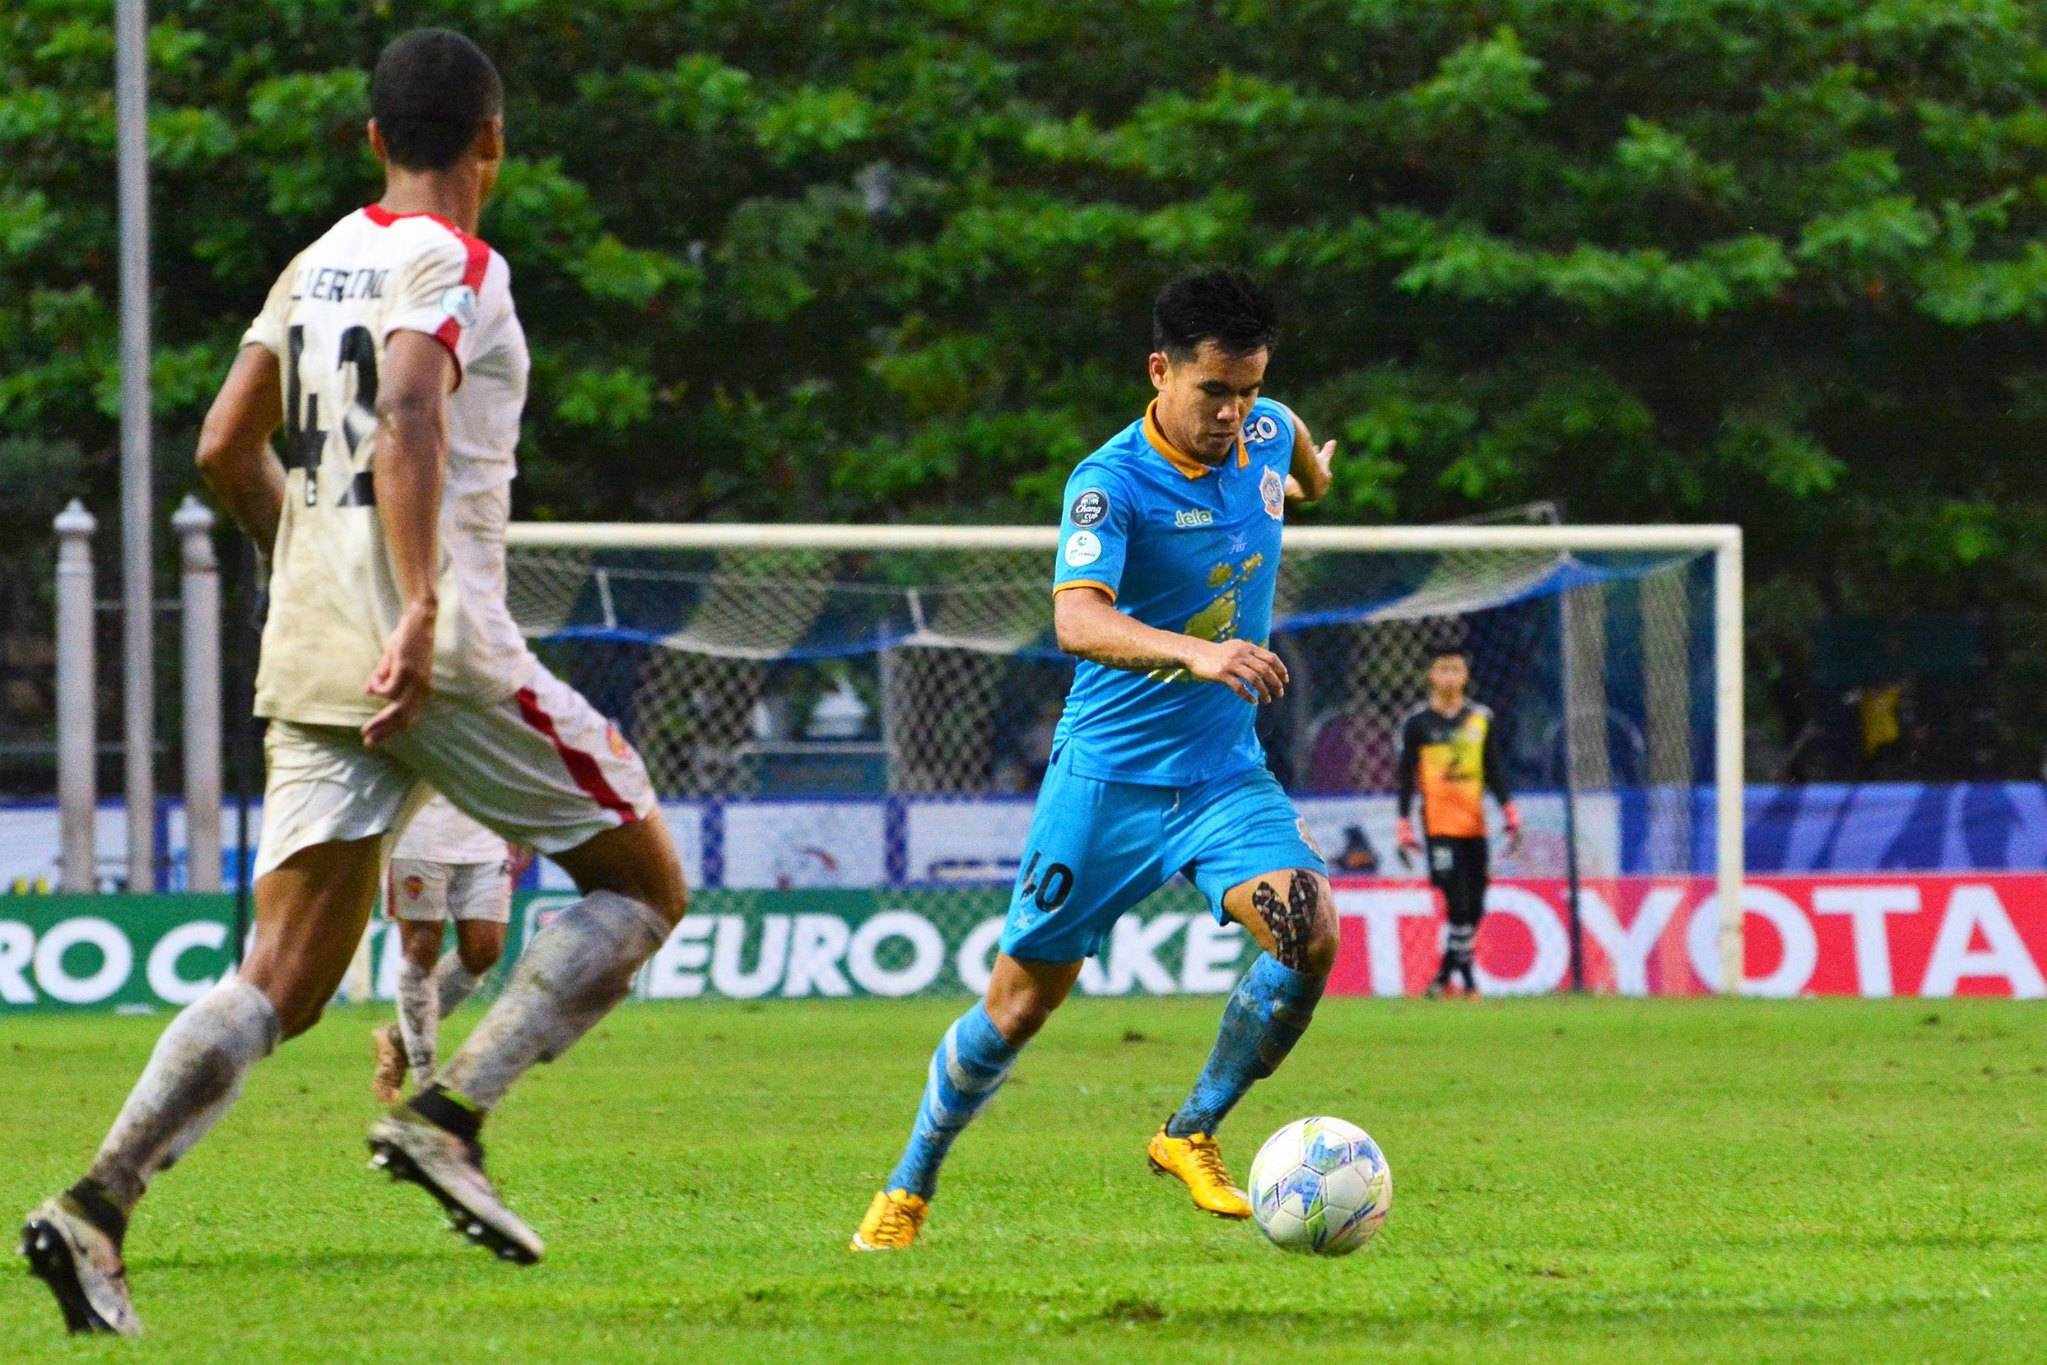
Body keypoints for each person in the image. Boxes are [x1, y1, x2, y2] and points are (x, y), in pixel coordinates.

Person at [21, 29, 687, 1337]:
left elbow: (226, 446)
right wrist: (418, 598)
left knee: (282, 975)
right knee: (644, 884)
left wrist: (315, 563)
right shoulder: (460, 262)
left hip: (316, 643)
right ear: (493, 139)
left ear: (374, 140)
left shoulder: (316, 259)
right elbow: (411, 410)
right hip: (436, 646)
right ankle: (450, 1115)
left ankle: (97, 1204)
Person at [851, 268, 1341, 1251]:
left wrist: (1308, 480)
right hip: (1106, 783)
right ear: (1160, 371)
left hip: (1221, 775)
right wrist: (1198, 652)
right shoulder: (1107, 483)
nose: (1233, 413)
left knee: (1309, 929)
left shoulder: (1264, 428)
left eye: (1248, 390)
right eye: (1213, 391)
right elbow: (1076, 620)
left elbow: (1293, 449)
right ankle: (907, 1186)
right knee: (1017, 1007)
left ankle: (1189, 1129)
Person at [371, 792, 532, 1104]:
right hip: (416, 834)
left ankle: (398, 1039)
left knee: (484, 951)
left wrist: (522, 823)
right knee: (421, 952)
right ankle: (425, 1084)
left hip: (486, 833)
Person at [1394, 649, 1521, 998]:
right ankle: (1464, 980)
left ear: (1465, 676)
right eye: (1442, 669)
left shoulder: (1481, 718)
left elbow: (1493, 768)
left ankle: (1444, 979)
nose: (1449, 676)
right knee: (1458, 903)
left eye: (1455, 669)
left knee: (1475, 906)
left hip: (1474, 826)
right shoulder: (1418, 723)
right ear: (1431, 676)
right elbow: (1406, 776)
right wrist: (1403, 821)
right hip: (1439, 827)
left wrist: (1509, 809)